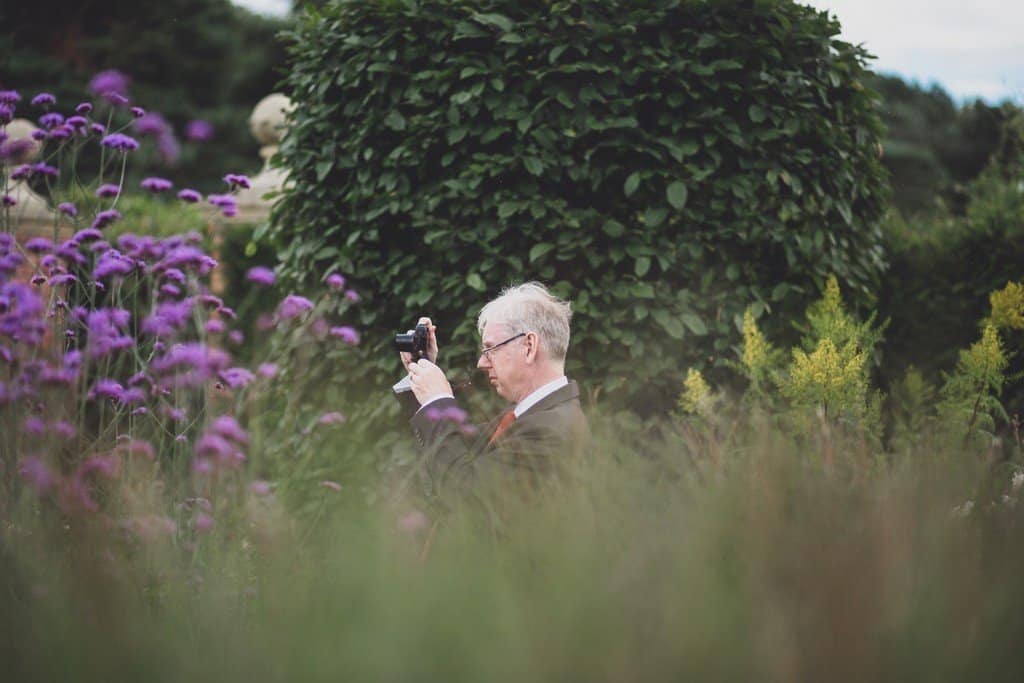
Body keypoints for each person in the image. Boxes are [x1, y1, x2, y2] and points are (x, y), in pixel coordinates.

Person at [395, 282, 589, 498]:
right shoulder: (531, 417)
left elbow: (469, 500)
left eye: (490, 349)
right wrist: (421, 371)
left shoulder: (549, 430)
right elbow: (449, 453)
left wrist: (438, 401)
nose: (481, 363)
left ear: (529, 346)